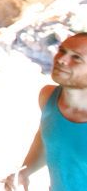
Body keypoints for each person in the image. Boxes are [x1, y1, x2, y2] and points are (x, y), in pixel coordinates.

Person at [5, 32, 87, 191]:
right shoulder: (48, 97)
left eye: (76, 57)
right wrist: (25, 172)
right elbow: (48, 136)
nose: (61, 60)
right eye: (62, 51)